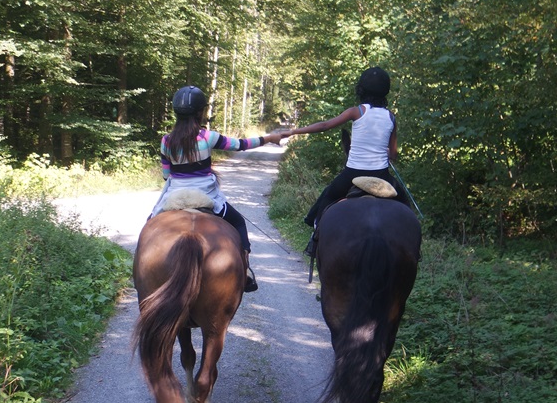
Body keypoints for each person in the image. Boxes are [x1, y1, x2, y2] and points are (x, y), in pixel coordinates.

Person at [149, 85, 284, 292]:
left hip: (175, 195)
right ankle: (245, 270)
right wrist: (269, 138)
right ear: (200, 113)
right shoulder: (207, 137)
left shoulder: (166, 141)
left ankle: (142, 271)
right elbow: (241, 144)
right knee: (238, 222)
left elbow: (166, 175)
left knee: (149, 227)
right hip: (206, 195)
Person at [290, 67, 409, 245]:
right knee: (406, 207)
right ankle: (414, 249)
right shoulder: (391, 117)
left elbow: (324, 126)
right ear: (386, 91)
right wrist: (384, 152)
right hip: (382, 176)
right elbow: (393, 154)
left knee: (327, 197)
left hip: (352, 175)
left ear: (361, 89)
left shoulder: (356, 111)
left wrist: (293, 132)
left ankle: (315, 238)